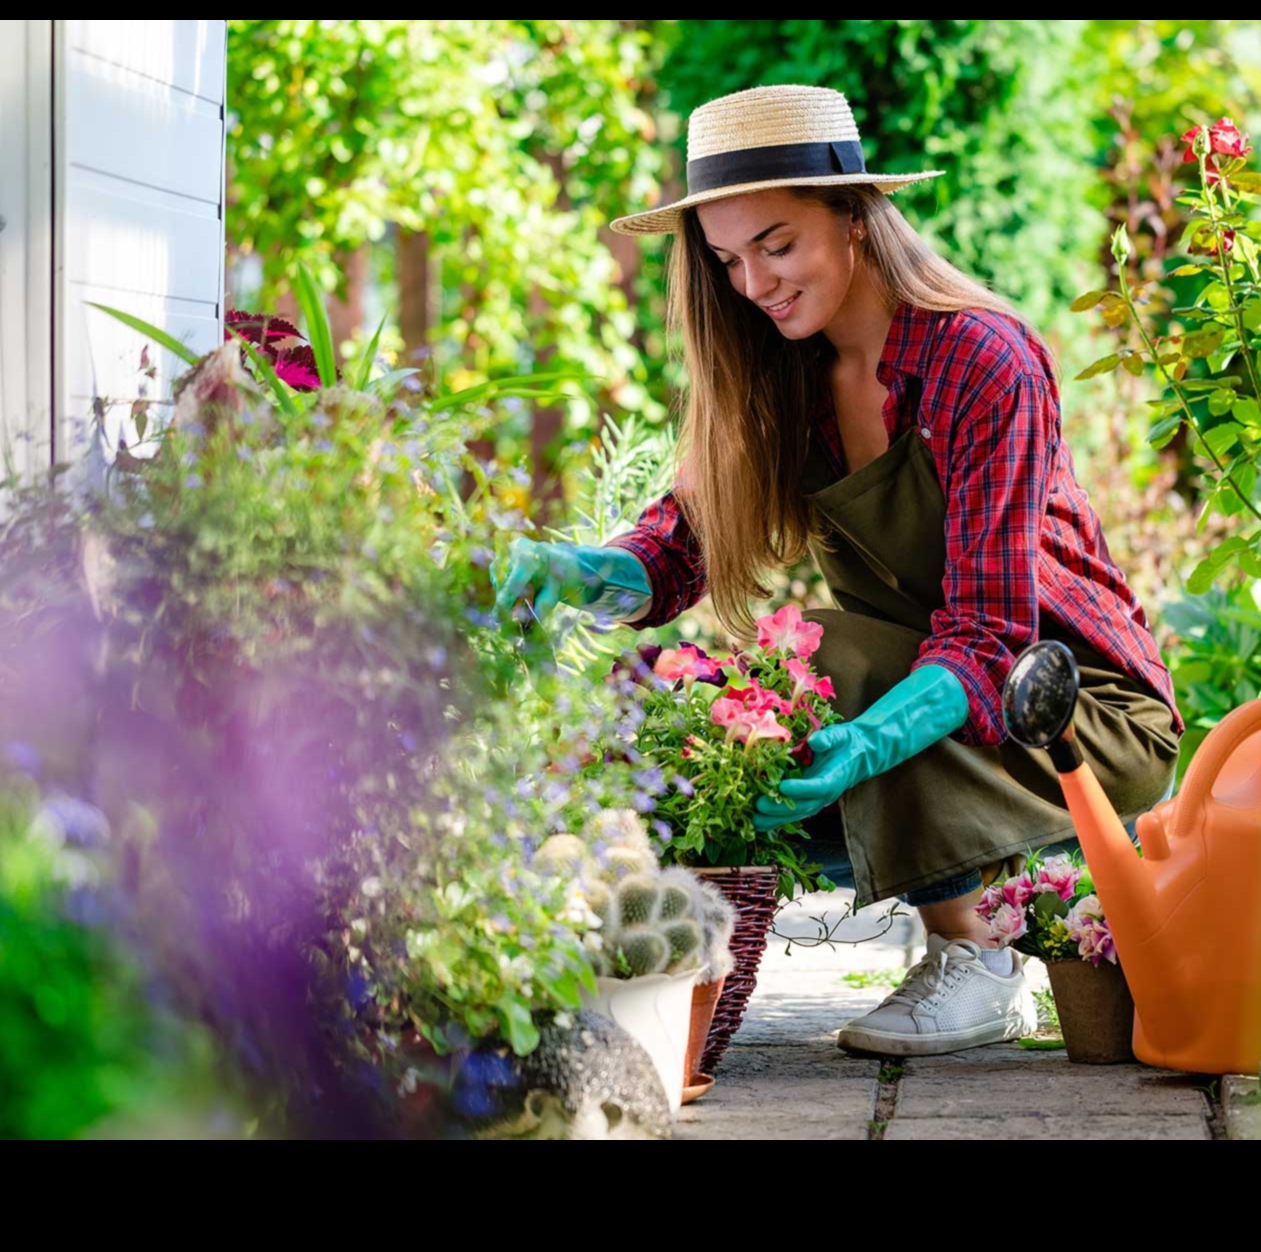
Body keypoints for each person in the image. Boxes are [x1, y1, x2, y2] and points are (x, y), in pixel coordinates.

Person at [494, 85, 1180, 1057]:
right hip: (914, 690)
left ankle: (977, 958)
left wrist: (860, 742)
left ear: (853, 216)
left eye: (776, 244)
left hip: (1074, 708)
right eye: (728, 260)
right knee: (700, 732)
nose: (754, 284)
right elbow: (681, 546)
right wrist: (578, 572)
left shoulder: (983, 360)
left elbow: (990, 634)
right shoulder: (784, 372)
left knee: (832, 657)